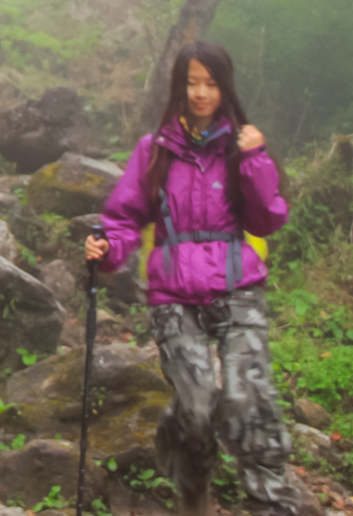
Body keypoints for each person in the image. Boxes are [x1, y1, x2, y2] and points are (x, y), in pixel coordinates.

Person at [85, 42, 298, 516]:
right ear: (177, 87)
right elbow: (123, 218)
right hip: (174, 297)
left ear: (226, 86)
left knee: (248, 399)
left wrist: (257, 160)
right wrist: (106, 248)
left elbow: (267, 220)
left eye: (211, 82)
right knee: (198, 405)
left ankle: (273, 504)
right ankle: (193, 489)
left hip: (237, 288)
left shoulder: (241, 145)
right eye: (191, 82)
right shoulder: (154, 150)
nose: (201, 93)